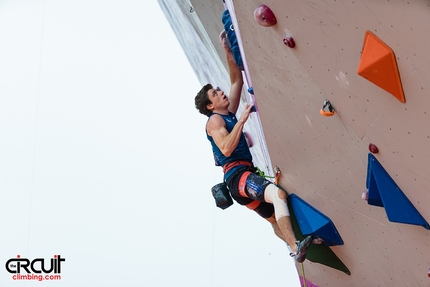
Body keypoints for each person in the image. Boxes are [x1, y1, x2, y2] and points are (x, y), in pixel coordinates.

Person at [194, 31, 314, 263]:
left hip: (241, 180)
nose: (221, 92)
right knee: (278, 195)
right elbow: (227, 149)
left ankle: (294, 244)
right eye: (215, 93)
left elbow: (236, 80)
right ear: (210, 105)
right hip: (238, 177)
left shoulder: (227, 113)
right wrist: (242, 120)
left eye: (218, 90)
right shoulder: (215, 121)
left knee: (273, 219)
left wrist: (227, 49)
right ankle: (295, 247)